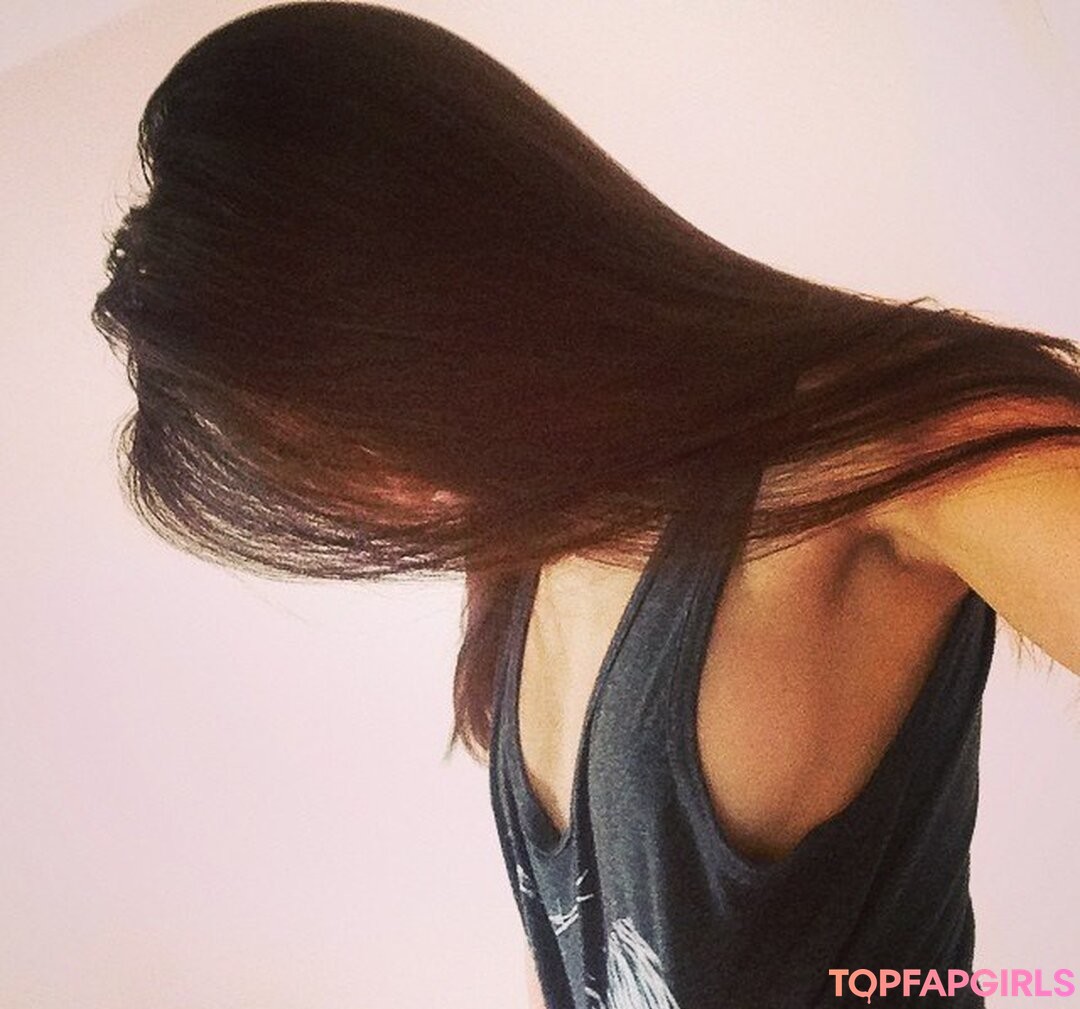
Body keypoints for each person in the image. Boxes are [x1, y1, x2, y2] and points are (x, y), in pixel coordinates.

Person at [91, 4, 1080, 1007]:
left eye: (342, 432)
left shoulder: (881, 445)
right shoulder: (528, 545)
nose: (376, 494)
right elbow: (589, 950)